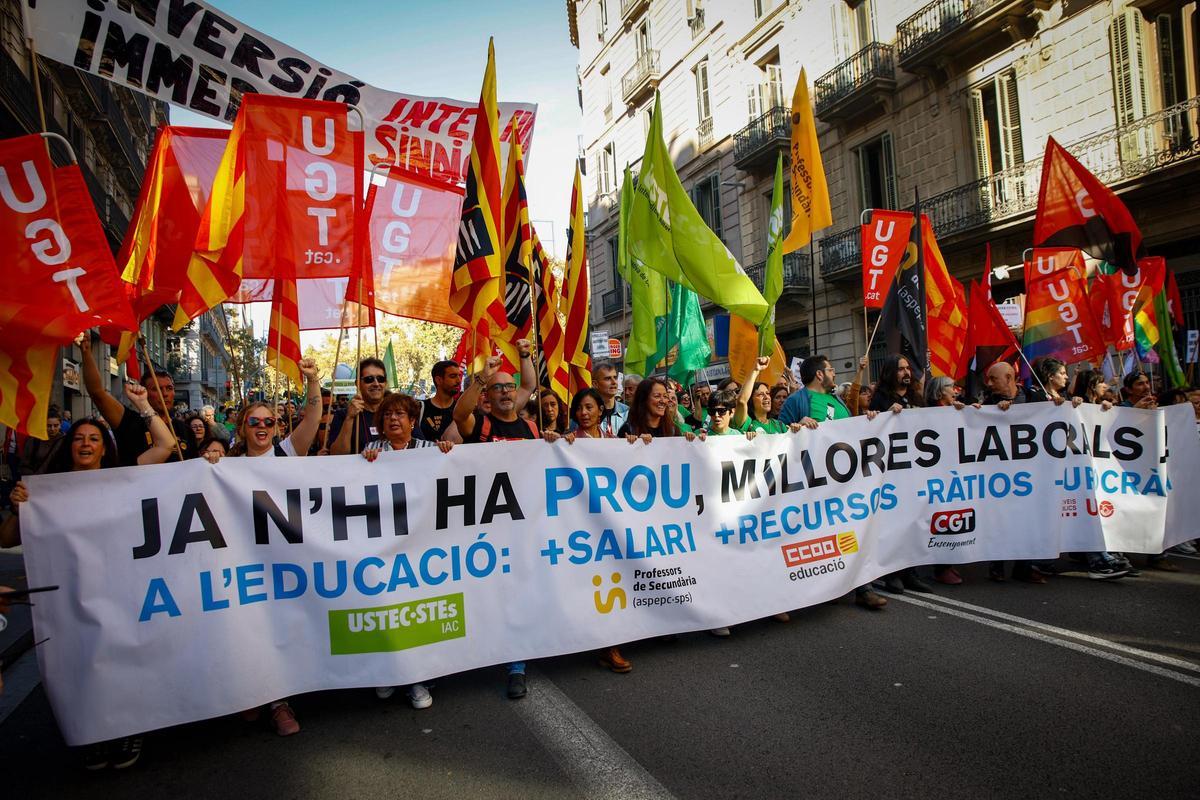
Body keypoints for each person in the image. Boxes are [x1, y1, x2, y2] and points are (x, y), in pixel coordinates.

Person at [2, 385, 176, 770]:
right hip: (71, 593)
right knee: (83, 663)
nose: (85, 444)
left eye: (93, 439)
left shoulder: (121, 477)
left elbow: (164, 446)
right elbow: (8, 538)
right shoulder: (43, 492)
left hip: (120, 588)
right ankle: (94, 731)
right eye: (79, 438)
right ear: (69, 447)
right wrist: (18, 508)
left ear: (103, 448)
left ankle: (130, 726)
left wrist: (144, 405)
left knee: (124, 657)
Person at [220, 358, 322, 735]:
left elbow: (312, 421)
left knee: (276, 629)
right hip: (241, 562)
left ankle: (279, 702)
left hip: (282, 561)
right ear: (242, 427)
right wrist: (209, 463)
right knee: (246, 630)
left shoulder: (286, 453)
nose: (262, 428)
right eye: (254, 422)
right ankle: (251, 695)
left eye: (269, 422)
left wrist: (312, 382)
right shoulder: (225, 464)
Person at [452, 342, 543, 699]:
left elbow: (530, 385)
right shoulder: (482, 424)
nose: (506, 392)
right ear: (487, 396)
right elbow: (460, 415)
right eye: (498, 388)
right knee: (488, 594)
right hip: (486, 529)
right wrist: (481, 377)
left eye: (509, 386)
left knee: (518, 592)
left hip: (525, 527)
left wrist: (523, 357)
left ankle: (516, 664)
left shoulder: (533, 429)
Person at [360, 392, 454, 705]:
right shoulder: (372, 450)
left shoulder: (430, 449)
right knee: (388, 610)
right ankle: (388, 672)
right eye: (387, 415)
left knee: (417, 613)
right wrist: (363, 463)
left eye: (400, 414)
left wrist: (447, 453)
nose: (394, 419)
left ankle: (418, 680)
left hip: (421, 546)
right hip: (385, 546)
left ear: (412, 421)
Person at [563, 387, 633, 673]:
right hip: (581, 523)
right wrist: (556, 443)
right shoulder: (570, 441)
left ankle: (610, 643)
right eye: (580, 408)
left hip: (610, 520)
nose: (584, 413)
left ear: (600, 410)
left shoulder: (610, 439)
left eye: (590, 407)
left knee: (613, 579)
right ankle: (600, 641)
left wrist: (636, 444)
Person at [979, 361, 1048, 584]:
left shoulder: (1034, 398)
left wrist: (1064, 405)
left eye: (994, 379)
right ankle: (997, 565)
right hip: (999, 474)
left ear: (1009, 378)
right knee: (1000, 519)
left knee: (1027, 519)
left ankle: (1024, 567)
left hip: (1029, 473)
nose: (989, 384)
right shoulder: (988, 402)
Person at [78, 335, 194, 465]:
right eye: (156, 389)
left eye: (169, 388)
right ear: (143, 391)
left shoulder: (185, 430)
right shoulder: (128, 421)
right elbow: (97, 393)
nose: (164, 394)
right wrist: (86, 352)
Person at [328, 357, 390, 455]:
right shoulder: (343, 415)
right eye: (369, 379)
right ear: (357, 383)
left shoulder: (398, 413)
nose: (376, 383)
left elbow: (418, 448)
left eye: (380, 379)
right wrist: (349, 418)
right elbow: (337, 454)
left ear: (385, 383)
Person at [734, 359, 789, 434]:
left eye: (767, 393)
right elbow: (741, 401)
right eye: (761, 394)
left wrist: (797, 428)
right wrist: (755, 370)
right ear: (750, 399)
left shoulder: (779, 425)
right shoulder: (747, 423)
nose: (766, 397)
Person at [417, 360, 462, 442]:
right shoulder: (419, 408)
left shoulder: (461, 410)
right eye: (453, 376)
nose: (459, 381)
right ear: (438, 380)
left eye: (459, 376)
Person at [19, 409, 65, 476]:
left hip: (58, 480)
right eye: (49, 426)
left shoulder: (65, 440)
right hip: (37, 479)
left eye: (55, 425)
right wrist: (33, 476)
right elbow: (25, 463)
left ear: (60, 425)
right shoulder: (34, 440)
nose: (52, 429)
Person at [590, 361, 629, 436]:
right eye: (607, 379)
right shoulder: (586, 413)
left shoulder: (627, 412)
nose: (614, 382)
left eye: (615, 377)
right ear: (595, 384)